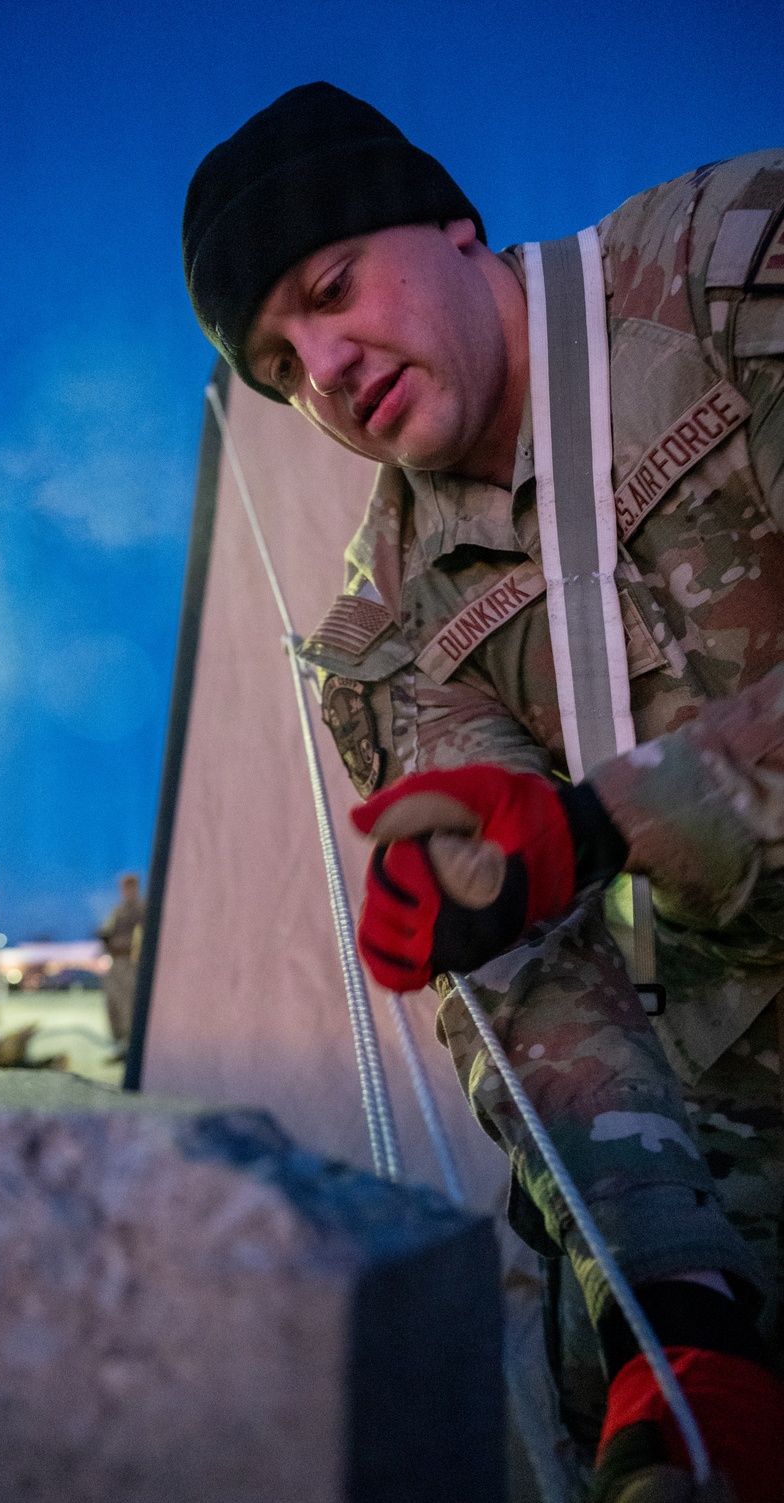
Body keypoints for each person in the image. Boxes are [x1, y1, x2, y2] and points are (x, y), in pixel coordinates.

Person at [182, 84, 784, 1501]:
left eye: (331, 288)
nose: (324, 366)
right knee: (623, 1394)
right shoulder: (379, 631)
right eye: (277, 363)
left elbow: (568, 846)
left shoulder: (728, 268)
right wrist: (676, 1313)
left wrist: (596, 824)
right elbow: (523, 954)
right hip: (743, 1089)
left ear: (457, 223)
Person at [98, 873, 146, 1060]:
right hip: (116, 963)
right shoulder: (119, 909)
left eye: (129, 886)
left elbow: (141, 937)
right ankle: (121, 1045)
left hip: (129, 963)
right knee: (114, 1005)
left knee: (128, 1006)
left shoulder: (140, 908)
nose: (125, 891)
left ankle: (131, 1048)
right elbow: (108, 931)